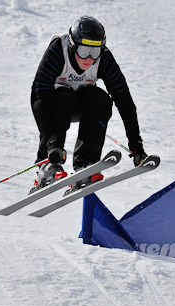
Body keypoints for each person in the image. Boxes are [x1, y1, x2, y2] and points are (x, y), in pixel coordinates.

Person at [30, 15, 147, 190]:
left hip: (81, 106)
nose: (89, 59)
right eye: (84, 51)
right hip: (54, 106)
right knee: (64, 95)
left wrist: (136, 144)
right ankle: (47, 163)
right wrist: (52, 143)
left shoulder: (104, 59)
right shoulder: (58, 51)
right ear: (72, 45)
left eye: (95, 52)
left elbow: (124, 101)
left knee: (100, 98)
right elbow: (39, 98)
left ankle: (86, 164)